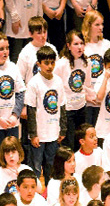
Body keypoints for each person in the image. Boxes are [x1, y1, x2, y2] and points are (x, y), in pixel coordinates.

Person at [25, 45, 66, 185]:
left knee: (51, 164)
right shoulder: (33, 83)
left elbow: (62, 106)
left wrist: (63, 129)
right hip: (39, 134)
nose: (49, 66)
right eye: (46, 63)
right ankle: (34, 192)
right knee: (36, 166)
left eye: (52, 62)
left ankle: (49, 192)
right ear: (39, 64)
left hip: (53, 132)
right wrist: (33, 134)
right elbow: (30, 110)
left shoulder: (58, 81)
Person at [55, 31, 93, 151]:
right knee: (69, 144)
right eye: (76, 44)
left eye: (81, 43)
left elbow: (86, 84)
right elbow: (56, 86)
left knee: (80, 143)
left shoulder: (87, 62)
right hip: (67, 110)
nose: (80, 47)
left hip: (81, 108)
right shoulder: (61, 64)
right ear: (68, 45)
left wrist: (89, 96)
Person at [82, 10, 110, 125]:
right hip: (87, 99)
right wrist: (86, 96)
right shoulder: (82, 46)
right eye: (97, 25)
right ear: (89, 25)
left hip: (102, 97)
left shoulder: (106, 45)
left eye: (102, 24)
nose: (101, 27)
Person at [0, 34, 25, 143]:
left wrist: (15, 115)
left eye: (7, 48)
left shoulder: (13, 68)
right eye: (1, 49)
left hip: (12, 123)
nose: (5, 52)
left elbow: (20, 93)